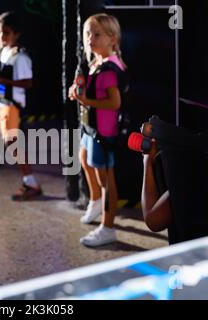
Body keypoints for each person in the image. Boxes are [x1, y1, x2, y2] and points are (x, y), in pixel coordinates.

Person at [68, 13, 127, 247]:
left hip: (104, 132)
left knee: (106, 179)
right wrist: (77, 90)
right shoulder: (95, 64)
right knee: (83, 157)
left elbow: (115, 103)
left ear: (113, 39)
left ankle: (108, 227)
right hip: (91, 127)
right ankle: (95, 201)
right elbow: (87, 89)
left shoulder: (109, 69)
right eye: (88, 33)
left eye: (97, 34)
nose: (90, 38)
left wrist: (87, 101)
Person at [0, 11, 42, 201]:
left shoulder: (21, 57)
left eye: (6, 33)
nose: (1, 37)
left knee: (13, 143)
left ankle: (31, 182)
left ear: (16, 34)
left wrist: (3, 80)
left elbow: (28, 83)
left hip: (12, 105)